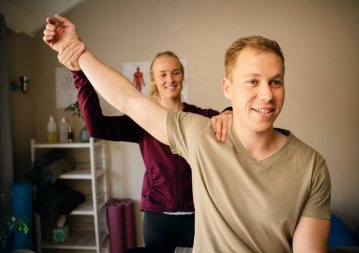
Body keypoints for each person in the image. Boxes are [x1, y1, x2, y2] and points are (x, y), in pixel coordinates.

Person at [43, 15, 331, 253]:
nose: (266, 94)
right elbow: (126, 101)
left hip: (193, 215)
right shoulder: (197, 132)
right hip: (158, 215)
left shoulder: (310, 165)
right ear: (227, 87)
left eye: (275, 82)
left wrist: (230, 113)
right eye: (253, 81)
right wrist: (78, 56)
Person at [50, 22, 232, 251]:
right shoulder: (143, 120)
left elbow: (232, 122)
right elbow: (97, 127)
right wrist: (79, 75)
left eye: (176, 72)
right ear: (154, 80)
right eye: (163, 74)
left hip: (198, 214)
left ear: (183, 76)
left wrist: (229, 112)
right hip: (157, 216)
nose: (170, 79)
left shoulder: (201, 117)